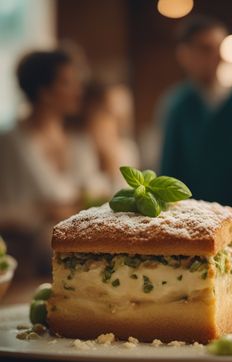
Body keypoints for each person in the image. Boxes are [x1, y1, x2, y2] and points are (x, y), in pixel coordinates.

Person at [0, 50, 105, 275]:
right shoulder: (10, 143)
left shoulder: (79, 139)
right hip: (29, 259)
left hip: (77, 245)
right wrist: (40, 211)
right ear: (44, 92)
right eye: (68, 83)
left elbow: (96, 190)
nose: (79, 91)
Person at [159, 15, 232, 208]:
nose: (217, 56)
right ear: (184, 54)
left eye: (220, 48)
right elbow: (169, 168)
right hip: (193, 216)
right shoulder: (177, 104)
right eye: (206, 48)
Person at [81, 81, 140, 191]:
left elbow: (126, 194)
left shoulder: (127, 150)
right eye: (109, 113)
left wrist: (112, 165)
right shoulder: (80, 146)